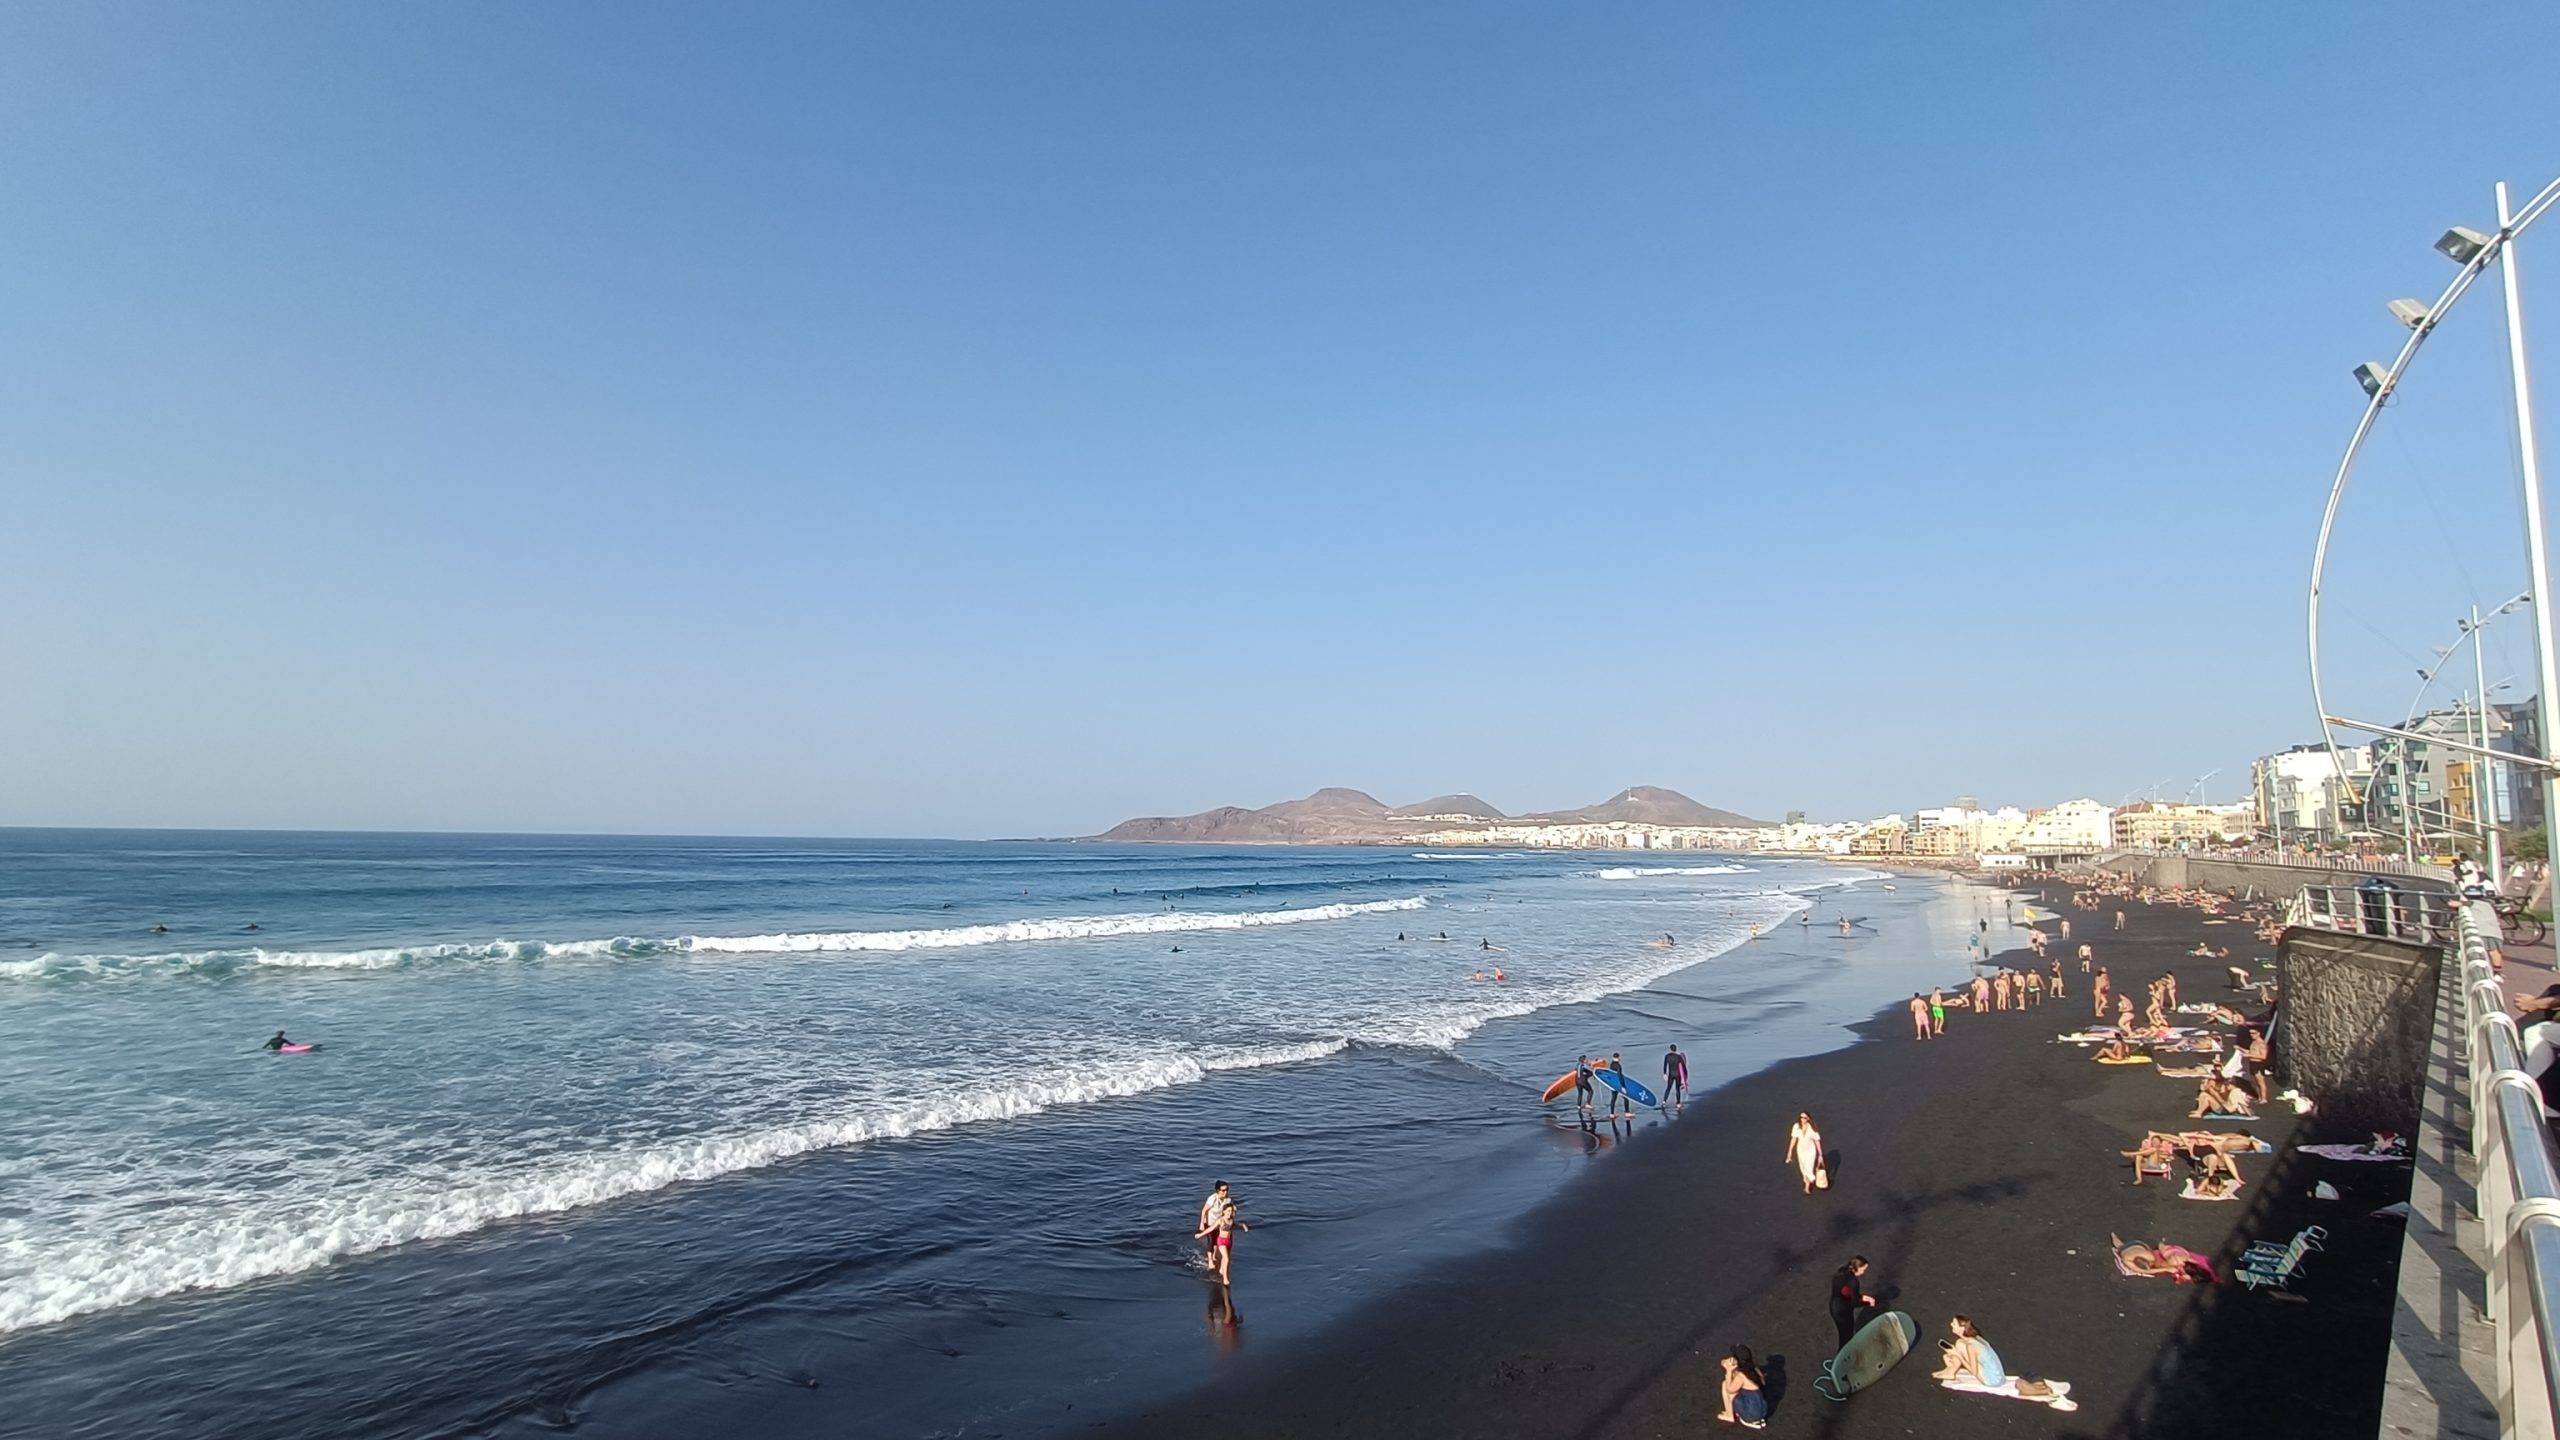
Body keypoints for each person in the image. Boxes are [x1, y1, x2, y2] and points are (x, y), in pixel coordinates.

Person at [1931, 1315, 2068, 1400]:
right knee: (1957, 1347)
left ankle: (1951, 1371)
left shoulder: (1971, 1346)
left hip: (1992, 1380)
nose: (1951, 1325)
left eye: (1954, 1324)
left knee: (1956, 1353)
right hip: (1996, 1374)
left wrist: (1959, 1357)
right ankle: (1950, 1371)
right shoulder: (1975, 1339)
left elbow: (1973, 1370)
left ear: (1961, 1328)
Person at [1194, 1180, 1245, 1284]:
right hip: (1211, 1221)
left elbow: (1230, 1209)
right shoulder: (1212, 1198)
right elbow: (1204, 1210)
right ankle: (1210, 1261)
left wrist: (1234, 1211)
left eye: (1227, 1190)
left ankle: (1215, 1257)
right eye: (1223, 1190)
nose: (1225, 1192)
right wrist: (1201, 1223)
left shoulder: (1228, 1200)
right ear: (1218, 1191)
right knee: (1211, 1240)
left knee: (1218, 1241)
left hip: (1221, 1222)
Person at [1827, 1256, 1876, 1345]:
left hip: (1834, 1307)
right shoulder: (1853, 1282)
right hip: (1844, 1311)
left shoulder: (1841, 1272)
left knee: (1842, 1335)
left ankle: (1841, 1354)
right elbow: (1855, 1302)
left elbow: (1845, 1292)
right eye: (1863, 1270)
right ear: (1856, 1269)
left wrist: (1862, 1297)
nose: (1864, 1272)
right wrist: (1867, 1302)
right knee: (1848, 1335)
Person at [1717, 1346, 1769, 1428]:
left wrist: (1729, 1370)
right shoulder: (1754, 1369)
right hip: (1762, 1411)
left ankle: (1729, 1415)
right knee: (1736, 1386)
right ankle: (1753, 1417)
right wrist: (1725, 1363)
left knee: (1726, 1385)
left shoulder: (1741, 1376)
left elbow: (1729, 1390)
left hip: (1751, 1414)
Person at [1787, 1112, 1826, 1195]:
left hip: (1810, 1151)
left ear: (1808, 1118)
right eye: (1801, 1117)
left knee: (1808, 1167)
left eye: (1804, 1118)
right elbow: (1793, 1139)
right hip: (1800, 1151)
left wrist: (1820, 1154)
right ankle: (1809, 1180)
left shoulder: (1812, 1127)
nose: (1802, 1119)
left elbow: (1816, 1141)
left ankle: (1807, 1187)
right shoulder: (1796, 1126)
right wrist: (1790, 1151)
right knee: (1803, 1168)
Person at [1604, 1052, 1632, 1117]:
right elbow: (1619, 1076)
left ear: (1613, 1058)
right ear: (1619, 1057)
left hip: (1613, 1084)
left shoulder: (1611, 1065)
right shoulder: (1618, 1066)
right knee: (1626, 1097)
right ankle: (1627, 1113)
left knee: (1613, 1098)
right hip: (1618, 1084)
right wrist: (1623, 1086)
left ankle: (1612, 1114)